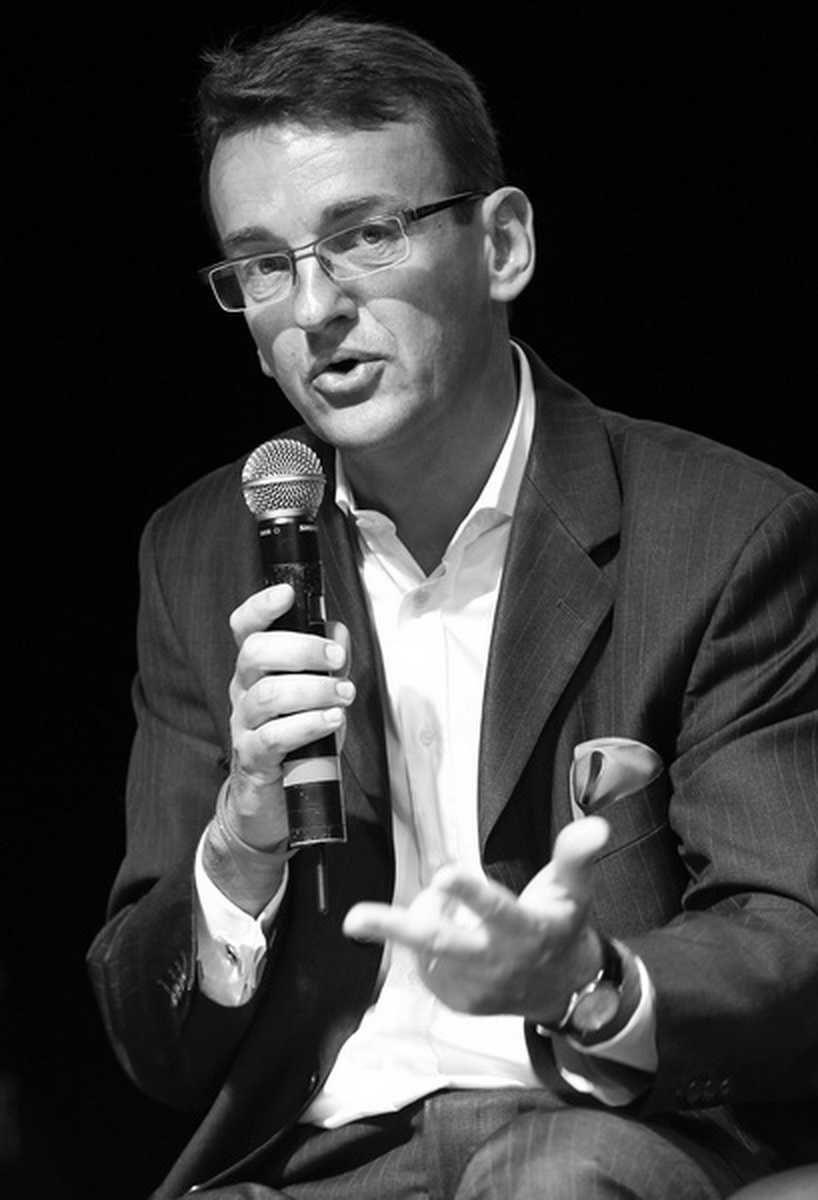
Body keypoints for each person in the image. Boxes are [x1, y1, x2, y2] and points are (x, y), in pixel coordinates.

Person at [88, 12, 818, 1199]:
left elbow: (789, 935)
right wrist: (240, 842)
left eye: (363, 236)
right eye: (263, 264)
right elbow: (152, 1043)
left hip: (595, 1121)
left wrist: (591, 983)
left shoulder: (724, 532)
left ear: (503, 244)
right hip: (318, 1155)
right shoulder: (200, 552)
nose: (311, 309)